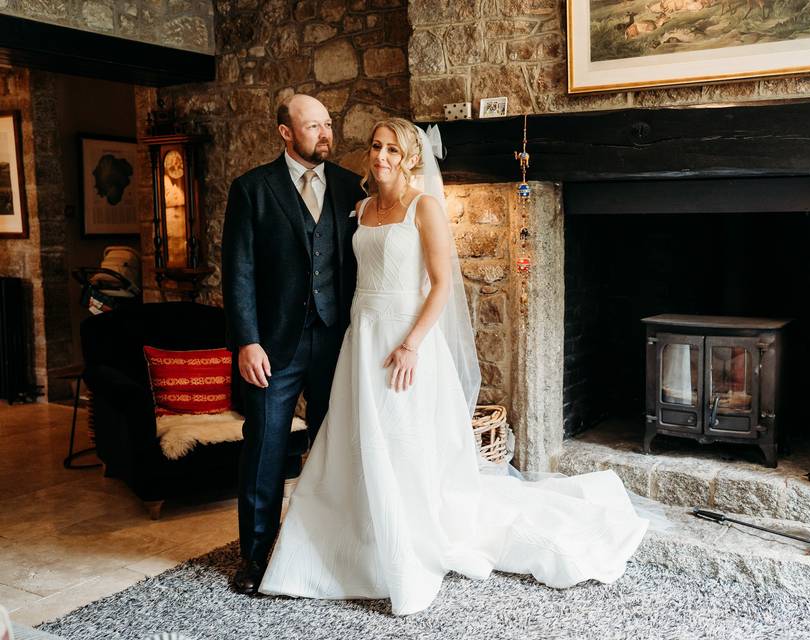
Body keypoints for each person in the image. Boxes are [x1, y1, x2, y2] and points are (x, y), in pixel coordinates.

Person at [259, 118, 650, 615]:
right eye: (376, 147)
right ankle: (342, 547)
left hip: (406, 341)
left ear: (411, 158)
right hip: (363, 337)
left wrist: (411, 346)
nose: (381, 157)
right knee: (352, 442)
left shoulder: (424, 208)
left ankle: (404, 548)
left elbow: (443, 285)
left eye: (393, 151)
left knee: (402, 442)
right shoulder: (359, 209)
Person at [221, 94, 366, 595]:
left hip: (337, 342)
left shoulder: (352, 187)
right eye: (313, 126)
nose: (326, 134)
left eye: (328, 124)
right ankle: (256, 558)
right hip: (273, 348)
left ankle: (328, 546)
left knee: (335, 448)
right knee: (264, 448)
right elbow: (238, 271)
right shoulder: (252, 189)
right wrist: (247, 342)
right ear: (285, 132)